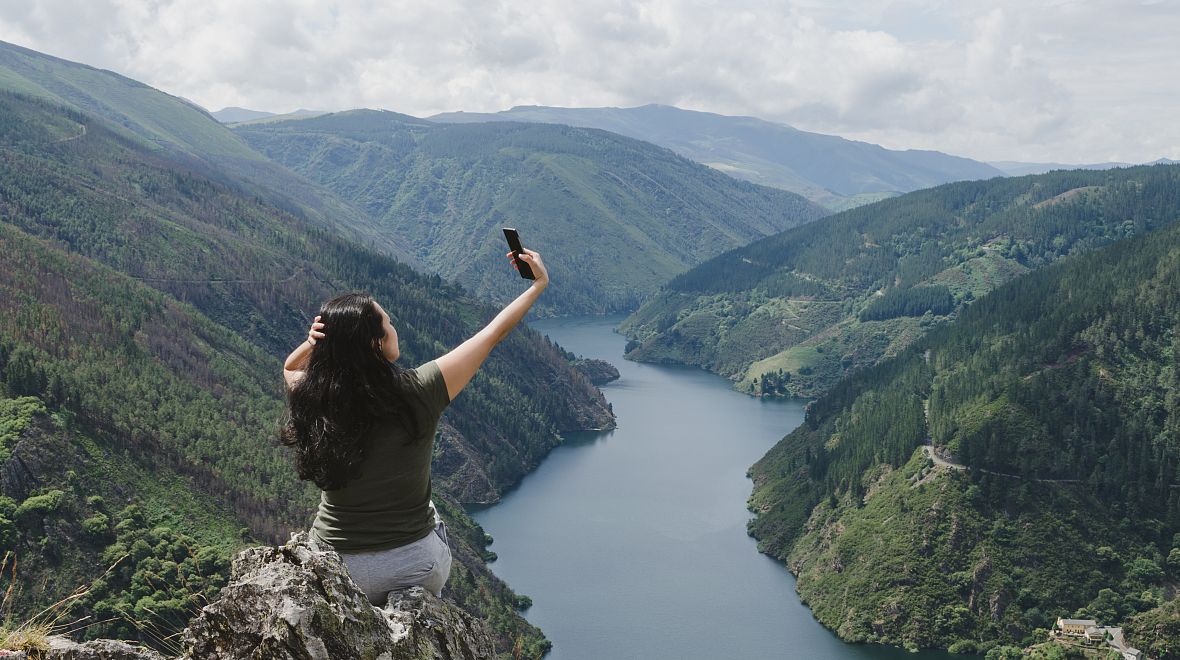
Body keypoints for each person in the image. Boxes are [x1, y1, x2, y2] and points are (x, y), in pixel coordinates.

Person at [280, 248, 549, 604]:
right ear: (377, 343)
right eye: (389, 324)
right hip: (414, 569)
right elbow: (491, 334)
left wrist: (312, 343)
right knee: (432, 516)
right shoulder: (420, 390)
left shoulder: (313, 397)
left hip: (335, 570)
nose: (395, 327)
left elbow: (290, 369)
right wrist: (538, 284)